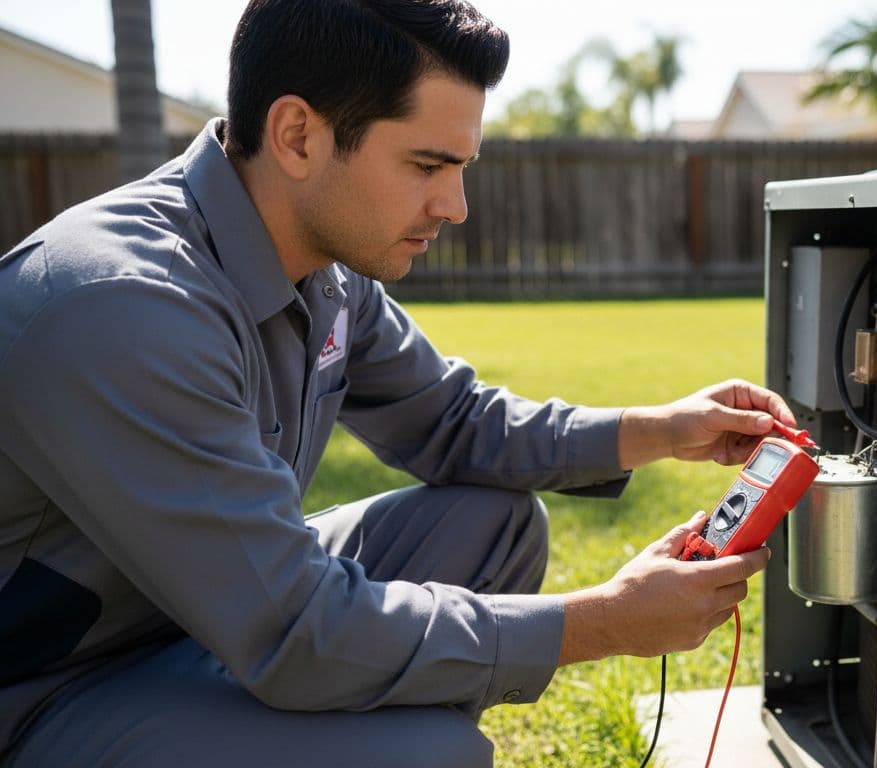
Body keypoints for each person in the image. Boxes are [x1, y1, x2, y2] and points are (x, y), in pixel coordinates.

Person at [0, 1, 796, 764]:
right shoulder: (123, 305)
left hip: (190, 621)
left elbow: (456, 423)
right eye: (427, 164)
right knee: (428, 754)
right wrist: (603, 623)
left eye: (461, 166)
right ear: (297, 135)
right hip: (46, 690)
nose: (455, 206)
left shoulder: (325, 272)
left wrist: (662, 429)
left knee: (495, 524)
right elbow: (295, 628)